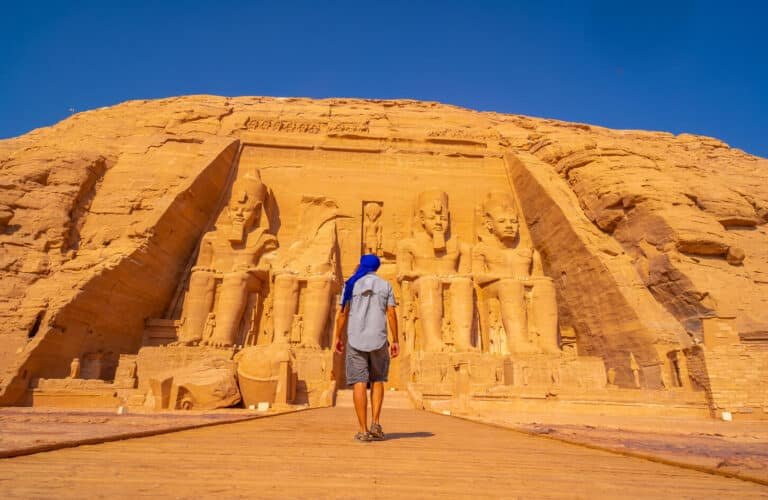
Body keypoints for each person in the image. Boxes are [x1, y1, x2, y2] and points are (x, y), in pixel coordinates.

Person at [333, 254, 399, 442]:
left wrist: (338, 336)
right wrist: (395, 340)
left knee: (359, 382)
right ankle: (375, 423)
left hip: (355, 339)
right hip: (379, 338)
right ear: (376, 268)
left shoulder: (351, 284)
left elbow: (343, 314)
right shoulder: (385, 285)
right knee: (377, 380)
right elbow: (392, 313)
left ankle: (363, 430)